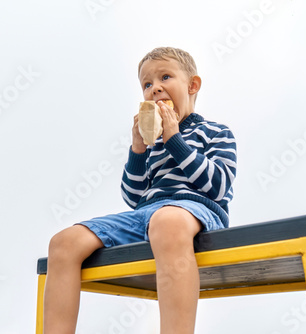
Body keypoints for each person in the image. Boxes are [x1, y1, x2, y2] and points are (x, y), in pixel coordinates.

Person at [43, 47, 237, 334]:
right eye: (147, 84)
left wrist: (175, 140)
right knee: (63, 242)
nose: (155, 88)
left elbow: (219, 186)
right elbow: (134, 198)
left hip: (196, 210)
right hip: (147, 214)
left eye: (165, 77)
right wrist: (138, 149)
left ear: (192, 85)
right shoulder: (153, 143)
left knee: (167, 220)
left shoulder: (216, 132)